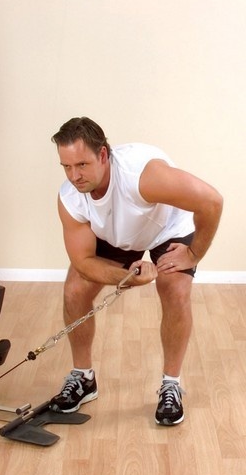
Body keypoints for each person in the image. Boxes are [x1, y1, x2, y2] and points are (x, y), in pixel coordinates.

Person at [48, 117, 223, 425]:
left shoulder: (141, 177)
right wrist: (129, 278)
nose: (75, 176)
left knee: (174, 289)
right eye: (67, 167)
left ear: (103, 154)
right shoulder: (70, 197)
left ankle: (171, 384)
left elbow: (211, 201)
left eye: (82, 165)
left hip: (167, 228)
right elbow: (84, 262)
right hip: (117, 233)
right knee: (75, 289)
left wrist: (194, 253)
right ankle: (83, 378)